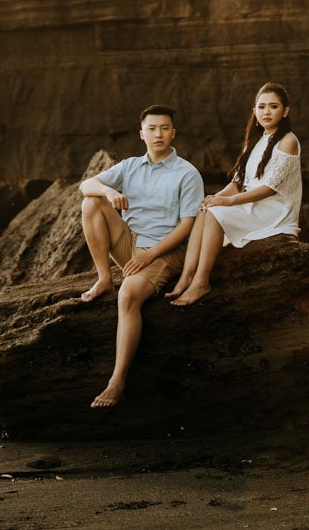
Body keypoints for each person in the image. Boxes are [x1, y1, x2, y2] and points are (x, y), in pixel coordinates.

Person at [78, 103, 203, 409]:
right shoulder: (131, 166)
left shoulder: (187, 173)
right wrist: (109, 192)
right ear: (141, 134)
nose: (158, 134)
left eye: (164, 128)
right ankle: (105, 278)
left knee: (129, 296)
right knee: (90, 203)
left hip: (164, 250)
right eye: (152, 128)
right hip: (130, 243)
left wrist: (150, 257)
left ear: (173, 132)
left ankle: (117, 380)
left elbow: (188, 226)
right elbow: (85, 185)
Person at [167, 82, 301, 307]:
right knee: (206, 207)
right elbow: (238, 182)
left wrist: (227, 202)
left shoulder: (288, 141)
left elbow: (268, 189)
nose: (266, 112)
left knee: (217, 212)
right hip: (253, 205)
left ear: (285, 111)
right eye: (261, 107)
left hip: (275, 209)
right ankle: (187, 276)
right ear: (254, 111)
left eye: (273, 106)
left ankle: (201, 282)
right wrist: (215, 197)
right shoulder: (255, 141)